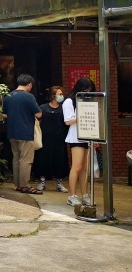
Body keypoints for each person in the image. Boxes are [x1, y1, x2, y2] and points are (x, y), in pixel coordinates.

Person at [3, 74, 42, 194]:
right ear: (29, 84)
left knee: (16, 158)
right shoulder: (28, 97)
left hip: (12, 132)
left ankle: (18, 184)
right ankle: (25, 185)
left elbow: (4, 114)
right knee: (26, 160)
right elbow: (39, 114)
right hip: (25, 132)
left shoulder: (8, 96)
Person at [63, 77, 96, 206]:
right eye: (85, 90)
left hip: (87, 136)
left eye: (89, 90)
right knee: (76, 167)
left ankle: (85, 194)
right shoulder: (69, 101)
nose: (87, 93)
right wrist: (83, 114)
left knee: (84, 169)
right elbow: (68, 121)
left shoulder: (87, 101)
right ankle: (72, 195)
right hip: (75, 137)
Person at [33, 85, 68, 193]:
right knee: (43, 160)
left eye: (62, 94)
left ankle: (59, 183)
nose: (61, 96)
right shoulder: (43, 107)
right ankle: (42, 181)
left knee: (60, 161)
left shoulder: (63, 108)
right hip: (46, 138)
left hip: (60, 139)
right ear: (53, 96)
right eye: (59, 94)